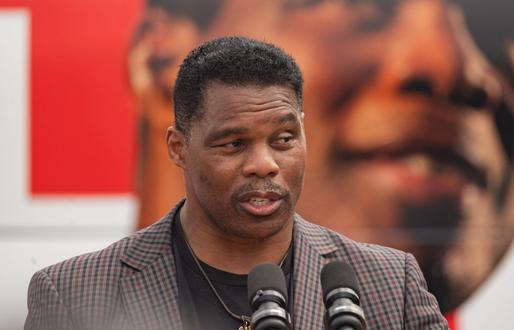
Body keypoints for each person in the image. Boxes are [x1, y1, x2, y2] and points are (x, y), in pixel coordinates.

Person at [130, 0, 514, 313]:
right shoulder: (80, 295)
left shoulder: (399, 286)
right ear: (162, 61)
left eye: (513, 40)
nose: (452, 68)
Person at [25, 37, 447, 329]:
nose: (264, 165)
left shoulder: (391, 285)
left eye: (283, 140)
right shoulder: (76, 295)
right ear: (177, 147)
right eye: (233, 143)